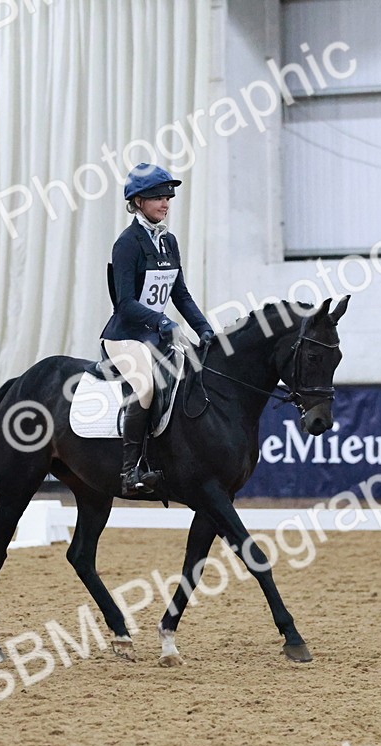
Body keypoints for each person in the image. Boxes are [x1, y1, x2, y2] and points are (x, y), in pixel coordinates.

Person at [100, 163, 214, 497]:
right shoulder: (128, 244)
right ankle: (129, 471)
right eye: (156, 197)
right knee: (146, 389)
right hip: (124, 337)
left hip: (156, 336)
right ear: (137, 202)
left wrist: (204, 329)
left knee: (193, 378)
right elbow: (124, 303)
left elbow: (180, 294)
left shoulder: (169, 242)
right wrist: (162, 321)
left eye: (168, 196)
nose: (165, 203)